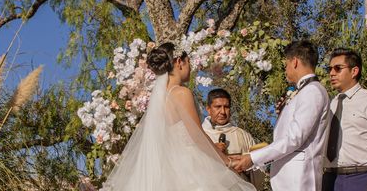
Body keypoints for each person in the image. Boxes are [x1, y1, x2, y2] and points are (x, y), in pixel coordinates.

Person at [101, 42, 255, 191]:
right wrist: (226, 161)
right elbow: (197, 135)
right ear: (179, 61)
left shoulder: (159, 99)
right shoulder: (181, 93)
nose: (191, 67)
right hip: (190, 167)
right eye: (188, 62)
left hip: (169, 168)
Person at [231, 40, 330, 191]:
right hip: (289, 178)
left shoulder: (312, 91)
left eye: (286, 65)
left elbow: (294, 138)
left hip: (299, 180)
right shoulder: (302, 92)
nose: (286, 70)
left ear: (295, 62)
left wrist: (253, 158)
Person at [322, 48, 367, 191]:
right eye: (329, 69)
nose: (331, 73)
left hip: (360, 178)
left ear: (354, 71)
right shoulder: (329, 104)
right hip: (329, 179)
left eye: (338, 68)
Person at [202, 88, 264, 189]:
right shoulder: (200, 134)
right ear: (208, 109)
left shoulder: (243, 135)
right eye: (218, 107)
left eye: (226, 107)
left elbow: (259, 168)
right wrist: (212, 151)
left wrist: (245, 165)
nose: (222, 111)